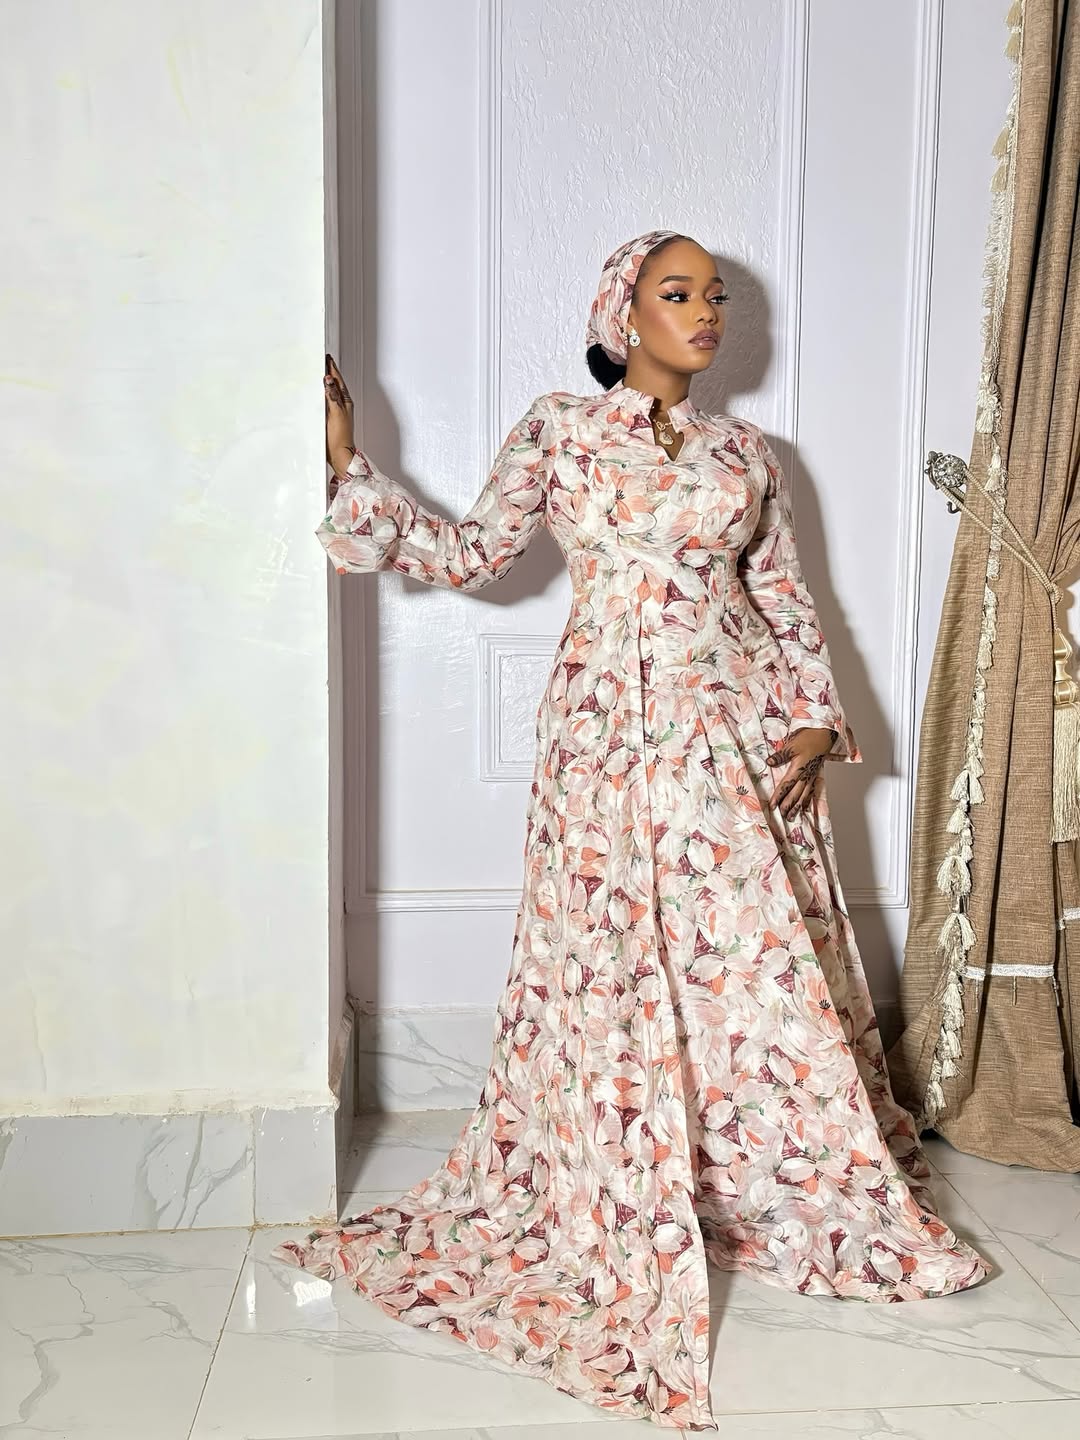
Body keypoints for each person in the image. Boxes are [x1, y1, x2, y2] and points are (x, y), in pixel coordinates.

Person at [274, 229, 991, 1432]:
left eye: (717, 296)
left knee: (748, 963)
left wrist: (816, 716)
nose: (705, 313)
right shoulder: (560, 430)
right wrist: (353, 466)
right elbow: (473, 554)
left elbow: (782, 594)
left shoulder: (748, 455)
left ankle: (770, 1177)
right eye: (678, 293)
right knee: (609, 956)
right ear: (624, 315)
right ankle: (611, 1173)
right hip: (605, 728)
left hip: (735, 727)